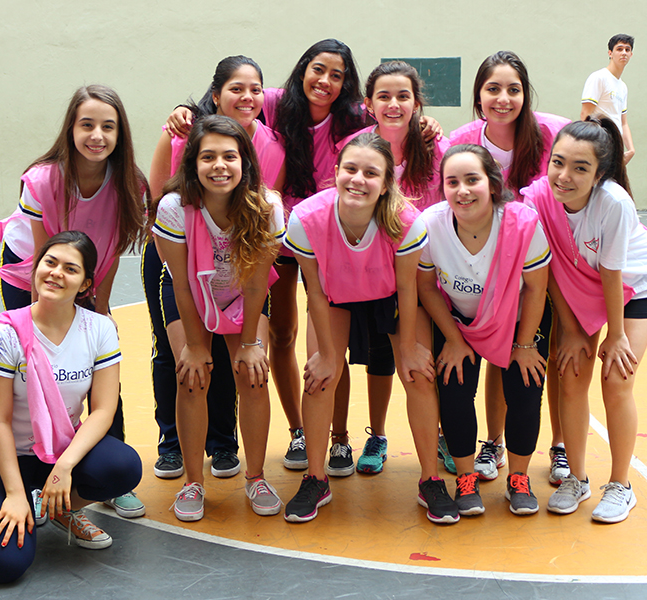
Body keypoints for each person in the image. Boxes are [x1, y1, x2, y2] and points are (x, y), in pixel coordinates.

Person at [166, 41, 442, 472]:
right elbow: (232, 100)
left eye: (337, 75)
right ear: (302, 71)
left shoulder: (356, 121)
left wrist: (424, 120)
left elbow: (394, 113)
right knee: (284, 336)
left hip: (344, 240)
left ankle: (365, 438)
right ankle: (298, 432)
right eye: (318, 69)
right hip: (287, 234)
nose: (325, 81)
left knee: (386, 350)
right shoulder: (276, 102)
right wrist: (186, 111)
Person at [282, 132, 459, 524]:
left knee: (418, 374)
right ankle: (316, 478)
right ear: (336, 172)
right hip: (333, 295)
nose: (358, 179)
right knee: (319, 376)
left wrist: (409, 350)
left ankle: (430, 480)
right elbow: (314, 291)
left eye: (371, 173)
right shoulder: (305, 219)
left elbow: (409, 288)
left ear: (386, 183)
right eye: (350, 169)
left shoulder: (405, 222)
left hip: (391, 294)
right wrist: (327, 356)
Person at [0, 84, 146, 519]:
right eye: (87, 125)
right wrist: (41, 324)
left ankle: (106, 479)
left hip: (88, 273)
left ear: (120, 134)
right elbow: (47, 263)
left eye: (108, 127)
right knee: (33, 371)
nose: (97, 135)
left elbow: (112, 249)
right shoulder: (43, 180)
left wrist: (101, 312)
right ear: (71, 129)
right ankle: (13, 477)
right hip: (35, 271)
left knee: (102, 365)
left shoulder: (130, 184)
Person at [0, 231, 142, 583]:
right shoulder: (7, 333)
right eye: (50, 262)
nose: (56, 273)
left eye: (70, 269)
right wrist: (14, 494)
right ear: (36, 268)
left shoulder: (99, 329)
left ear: (86, 283)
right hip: (2, 455)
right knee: (5, 566)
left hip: (58, 451)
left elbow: (103, 410)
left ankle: (60, 507)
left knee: (122, 466)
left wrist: (65, 466)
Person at [146, 56, 286, 482]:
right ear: (193, 162)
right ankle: (192, 481)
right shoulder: (175, 207)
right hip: (192, 291)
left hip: (242, 291)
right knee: (190, 374)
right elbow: (182, 284)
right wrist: (195, 344)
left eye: (229, 156)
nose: (219, 166)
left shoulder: (266, 207)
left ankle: (255, 477)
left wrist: (250, 344)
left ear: (246, 162)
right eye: (208, 157)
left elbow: (257, 283)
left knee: (252, 374)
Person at [523, 116, 647, 523]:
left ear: (600, 174)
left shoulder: (614, 203)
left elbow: (612, 272)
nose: (564, 176)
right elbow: (547, 270)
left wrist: (615, 336)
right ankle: (577, 478)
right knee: (571, 374)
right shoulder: (538, 198)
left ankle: (621, 485)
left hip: (633, 285)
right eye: (558, 162)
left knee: (616, 379)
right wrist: (570, 330)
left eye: (580, 167)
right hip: (579, 283)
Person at [449, 51, 570, 485]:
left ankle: (560, 446)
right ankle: (494, 442)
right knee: (497, 354)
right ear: (478, 97)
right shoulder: (462, 140)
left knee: (545, 355)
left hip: (543, 263)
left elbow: (591, 152)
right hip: (487, 270)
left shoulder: (551, 133)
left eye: (513, 89)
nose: (503, 98)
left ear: (526, 95)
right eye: (493, 89)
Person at [417, 144, 552, 517]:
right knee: (454, 390)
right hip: (458, 320)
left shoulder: (523, 223)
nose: (462, 190)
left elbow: (537, 288)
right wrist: (453, 339)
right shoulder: (430, 224)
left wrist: (525, 345)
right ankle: (465, 478)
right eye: (452, 182)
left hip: (518, 319)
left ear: (492, 184)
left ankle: (519, 478)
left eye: (472, 180)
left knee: (525, 389)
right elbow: (426, 287)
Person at [331, 61, 450, 474]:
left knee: (424, 361)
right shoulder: (354, 148)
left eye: (403, 96)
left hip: (423, 277)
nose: (394, 104)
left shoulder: (436, 148)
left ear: (417, 103)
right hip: (369, 276)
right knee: (378, 357)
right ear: (368, 104)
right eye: (384, 96)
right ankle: (377, 435)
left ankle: (441, 436)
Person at [581, 34, 635, 165]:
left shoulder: (623, 87)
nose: (624, 53)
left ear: (631, 55)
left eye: (627, 50)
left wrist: (631, 150)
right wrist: (586, 146)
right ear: (610, 53)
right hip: (598, 145)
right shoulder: (599, 77)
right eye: (619, 49)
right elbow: (585, 114)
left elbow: (623, 122)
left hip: (615, 148)